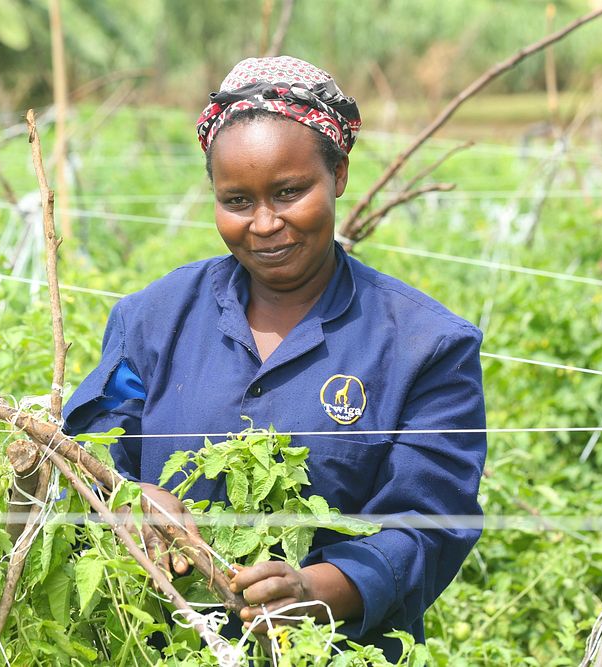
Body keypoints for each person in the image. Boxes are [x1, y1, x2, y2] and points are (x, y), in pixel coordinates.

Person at [62, 56, 486, 660]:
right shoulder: (155, 318)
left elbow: (431, 523)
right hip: (163, 644)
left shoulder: (424, 344)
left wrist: (318, 590)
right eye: (237, 200)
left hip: (333, 650)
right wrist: (130, 496)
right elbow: (92, 444)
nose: (264, 224)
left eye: (290, 192)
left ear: (338, 174)